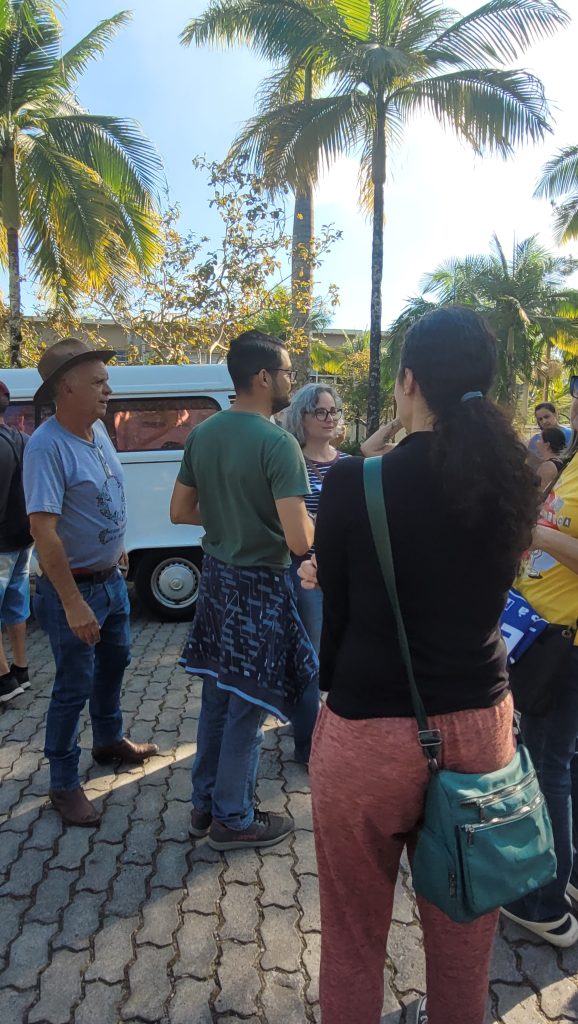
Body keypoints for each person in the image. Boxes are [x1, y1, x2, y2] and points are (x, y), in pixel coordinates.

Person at [300, 307, 539, 1024]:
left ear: (408, 381)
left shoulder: (357, 482)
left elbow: (339, 614)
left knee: (353, 936)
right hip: (480, 726)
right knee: (466, 932)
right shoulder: (513, 480)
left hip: (368, 730)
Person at [170, 329, 317, 852]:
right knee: (248, 704)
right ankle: (233, 819)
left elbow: (180, 512)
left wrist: (230, 520)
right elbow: (300, 540)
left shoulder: (204, 434)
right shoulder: (278, 444)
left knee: (217, 695)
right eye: (287, 373)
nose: (291, 381)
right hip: (259, 586)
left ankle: (204, 805)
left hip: (216, 580)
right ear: (262, 377)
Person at [23, 339, 158, 828]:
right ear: (66, 388)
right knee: (72, 686)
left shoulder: (96, 430)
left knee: (114, 664)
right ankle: (63, 783)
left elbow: (102, 496)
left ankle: (107, 741)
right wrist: (72, 603)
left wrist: (116, 545)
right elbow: (44, 532)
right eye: (98, 382)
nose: (108, 390)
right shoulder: (46, 447)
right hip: (74, 591)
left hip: (111, 580)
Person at [501, 381, 578, 946]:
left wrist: (536, 532)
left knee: (549, 765)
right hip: (544, 637)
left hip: (564, 648)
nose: (573, 403)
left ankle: (545, 904)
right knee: (563, 764)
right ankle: (566, 877)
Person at [283, 384, 348, 763]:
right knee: (310, 656)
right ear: (302, 417)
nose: (329, 418)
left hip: (346, 571)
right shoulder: (293, 463)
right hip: (307, 571)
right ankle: (307, 744)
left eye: (333, 410)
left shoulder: (347, 463)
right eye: (320, 411)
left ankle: (340, 732)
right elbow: (293, 527)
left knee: (344, 653)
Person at [0, 380, 32, 702]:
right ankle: (21, 668)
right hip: (23, 538)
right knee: (15, 606)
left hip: (2, 542)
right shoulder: (23, 438)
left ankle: (4, 680)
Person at [535, 425, 567, 491]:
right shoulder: (562, 461)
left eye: (540, 439)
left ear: (547, 445)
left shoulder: (548, 466)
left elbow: (541, 492)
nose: (537, 442)